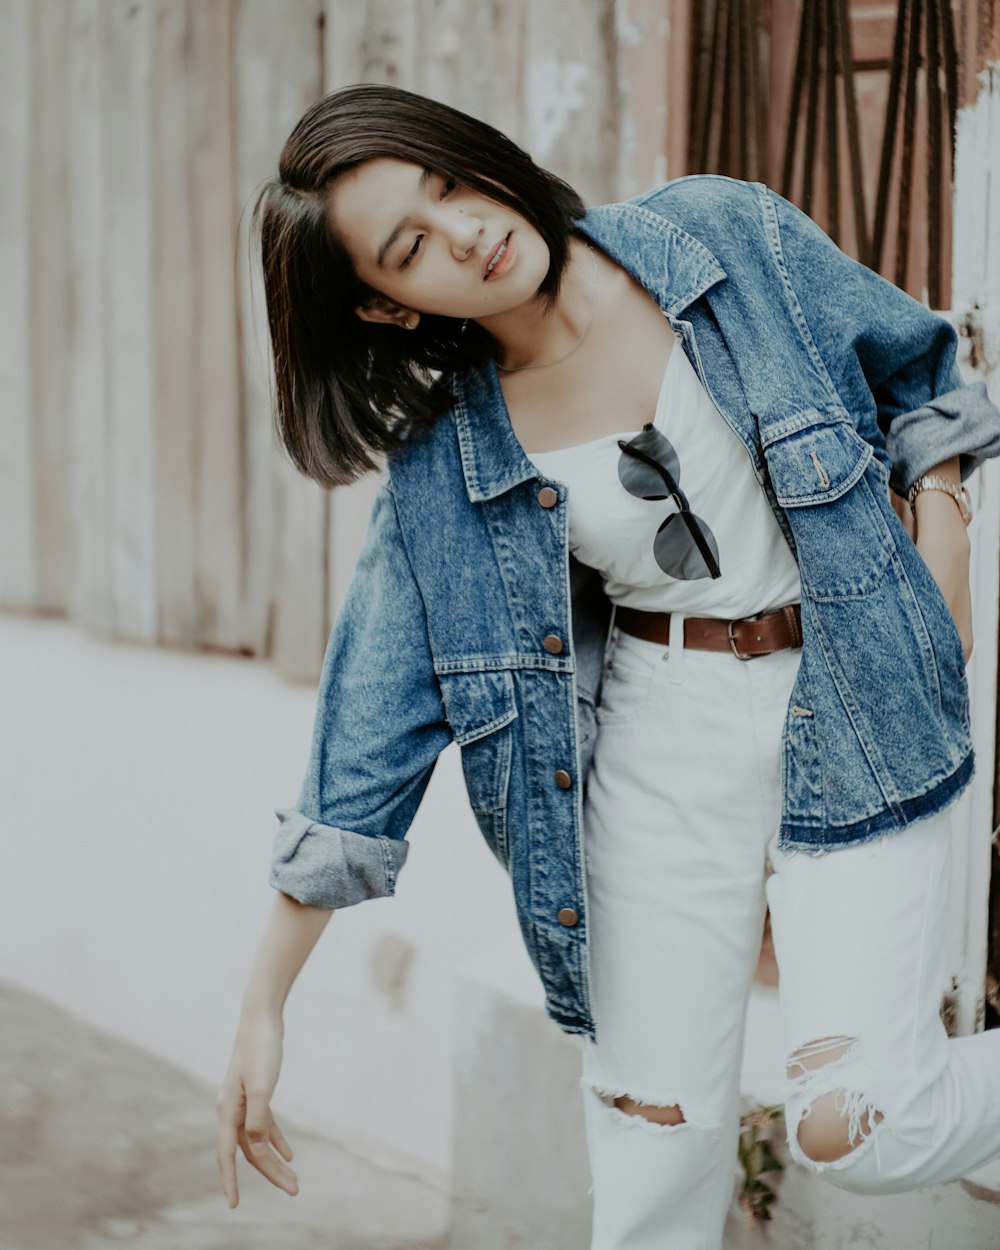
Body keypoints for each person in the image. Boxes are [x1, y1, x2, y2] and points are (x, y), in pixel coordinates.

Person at [215, 83, 1000, 1248]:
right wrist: (262, 1002)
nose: (467, 231)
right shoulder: (449, 460)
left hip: (855, 701)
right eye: (410, 247)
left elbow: (918, 366)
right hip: (656, 748)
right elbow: (367, 735)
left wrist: (943, 535)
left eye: (447, 183)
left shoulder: (720, 236)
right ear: (384, 308)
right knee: (653, 1167)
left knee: (861, 1126)